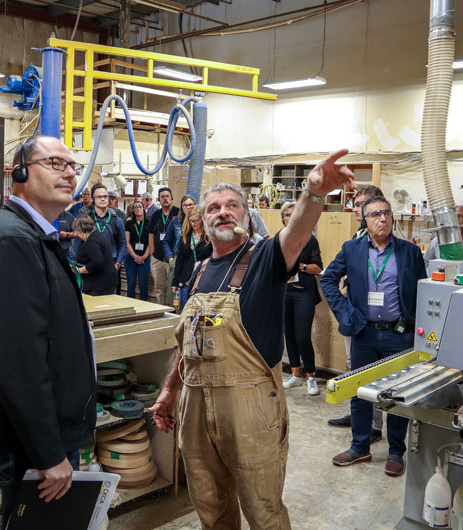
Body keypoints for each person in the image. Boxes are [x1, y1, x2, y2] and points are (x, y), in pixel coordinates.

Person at [150, 151, 356, 529]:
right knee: (210, 507)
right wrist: (169, 390)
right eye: (213, 208)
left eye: (232, 205)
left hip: (249, 411)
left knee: (263, 511)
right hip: (195, 407)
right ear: (202, 220)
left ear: (246, 216)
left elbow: (295, 238)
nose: (223, 212)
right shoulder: (198, 272)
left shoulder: (262, 259)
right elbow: (189, 345)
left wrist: (313, 195)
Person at [0, 135, 97, 527]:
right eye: (55, 163)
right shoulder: (12, 242)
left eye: (72, 166)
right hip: (33, 447)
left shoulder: (36, 236)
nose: (69, 173)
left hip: (46, 436)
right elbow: (20, 362)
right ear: (19, 173)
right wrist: (49, 453)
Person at [320, 196, 426, 477]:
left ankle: (395, 451)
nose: (383, 219)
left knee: (398, 396)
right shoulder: (352, 249)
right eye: (376, 214)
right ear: (364, 221)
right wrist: (345, 312)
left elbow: (423, 290)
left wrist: (415, 322)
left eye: (387, 213)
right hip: (364, 333)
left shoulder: (409, 252)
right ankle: (360, 446)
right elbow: (327, 279)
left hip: (398, 335)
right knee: (360, 392)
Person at [327, 184, 386, 434]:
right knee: (355, 369)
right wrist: (345, 294)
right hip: (354, 314)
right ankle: (357, 416)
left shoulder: (387, 240)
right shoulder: (357, 237)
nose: (356, 209)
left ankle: (373, 425)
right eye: (355, 204)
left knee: (372, 373)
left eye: (361, 204)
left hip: (375, 319)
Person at [279, 201, 324, 396]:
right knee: (288, 334)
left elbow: (318, 268)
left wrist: (300, 267)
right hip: (284, 292)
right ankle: (295, 373)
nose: (289, 217)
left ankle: (311, 375)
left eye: (293, 214)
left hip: (303, 291)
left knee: (303, 336)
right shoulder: (279, 238)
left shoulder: (310, 240)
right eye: (286, 215)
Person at [72, 183, 127, 294]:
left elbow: (123, 243)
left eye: (105, 196)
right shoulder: (86, 219)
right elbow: (78, 242)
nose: (103, 199)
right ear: (93, 199)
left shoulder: (117, 221)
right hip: (89, 268)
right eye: (99, 197)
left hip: (109, 266)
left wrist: (118, 263)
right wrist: (75, 264)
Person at [423, 204, 463, 274]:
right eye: (452, 217)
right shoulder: (437, 241)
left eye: (458, 216)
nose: (454, 220)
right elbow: (425, 262)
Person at [171, 205, 212, 311]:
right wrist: (176, 282)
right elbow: (180, 259)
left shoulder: (209, 236)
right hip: (186, 277)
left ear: (202, 219)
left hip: (203, 277)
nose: (193, 223)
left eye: (196, 220)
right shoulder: (185, 235)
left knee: (199, 310)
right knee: (185, 309)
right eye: (191, 221)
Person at [149, 187, 180, 305]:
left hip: (172, 258)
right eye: (162, 197)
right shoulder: (156, 214)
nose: (165, 199)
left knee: (172, 288)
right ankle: (160, 311)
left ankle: (172, 311)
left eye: (167, 196)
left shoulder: (178, 213)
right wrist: (152, 252)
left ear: (171, 198)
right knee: (159, 288)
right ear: (158, 199)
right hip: (157, 258)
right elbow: (151, 234)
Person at [74, 215, 118, 295]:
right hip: (107, 282)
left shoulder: (92, 241)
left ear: (83, 230)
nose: (78, 235)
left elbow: (97, 262)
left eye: (77, 232)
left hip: (100, 285)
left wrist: (79, 271)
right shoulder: (98, 235)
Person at [124, 199, 154, 300]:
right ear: (133, 210)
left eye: (140, 207)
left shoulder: (149, 223)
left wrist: (144, 257)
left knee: (143, 285)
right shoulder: (129, 223)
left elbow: (151, 242)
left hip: (145, 258)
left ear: (144, 209)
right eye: (135, 207)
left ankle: (144, 307)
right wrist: (135, 256)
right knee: (131, 285)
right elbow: (126, 242)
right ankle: (130, 306)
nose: (137, 209)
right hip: (131, 257)